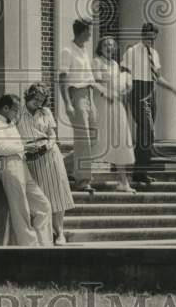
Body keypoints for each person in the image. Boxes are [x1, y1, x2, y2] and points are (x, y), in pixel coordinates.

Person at [0, 94, 53, 246]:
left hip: (21, 165)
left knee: (43, 206)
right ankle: (30, 247)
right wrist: (25, 146)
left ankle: (45, 245)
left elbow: (16, 146)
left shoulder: (11, 125)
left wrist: (33, 148)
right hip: (9, 165)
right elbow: (2, 149)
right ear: (5, 108)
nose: (17, 114)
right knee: (20, 209)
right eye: (15, 110)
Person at [18, 83, 76, 245]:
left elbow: (52, 135)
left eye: (42, 100)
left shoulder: (46, 112)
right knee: (40, 196)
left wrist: (49, 145)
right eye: (36, 99)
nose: (39, 103)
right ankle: (44, 233)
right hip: (30, 157)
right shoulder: (18, 114)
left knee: (57, 193)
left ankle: (60, 233)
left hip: (50, 155)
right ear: (28, 96)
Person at [58, 18, 99, 193]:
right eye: (89, 31)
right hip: (77, 96)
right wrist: (68, 103)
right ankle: (83, 180)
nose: (91, 35)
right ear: (83, 31)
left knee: (94, 139)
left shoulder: (84, 51)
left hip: (89, 96)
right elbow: (62, 78)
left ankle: (61, 166)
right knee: (84, 140)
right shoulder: (67, 51)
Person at [92, 36, 137, 193]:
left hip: (116, 105)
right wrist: (107, 93)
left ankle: (124, 182)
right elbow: (95, 83)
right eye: (105, 45)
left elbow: (118, 85)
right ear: (100, 47)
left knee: (120, 139)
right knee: (99, 140)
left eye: (112, 45)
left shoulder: (115, 65)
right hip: (103, 104)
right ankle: (80, 176)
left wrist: (126, 88)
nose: (109, 47)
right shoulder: (97, 62)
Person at [120, 21, 162, 186]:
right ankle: (139, 171)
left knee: (145, 134)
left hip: (152, 91)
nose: (150, 41)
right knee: (148, 129)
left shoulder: (154, 53)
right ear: (142, 35)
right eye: (147, 37)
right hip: (137, 89)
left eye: (153, 39)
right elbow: (124, 72)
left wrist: (173, 89)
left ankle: (140, 172)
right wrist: (127, 90)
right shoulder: (132, 52)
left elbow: (158, 76)